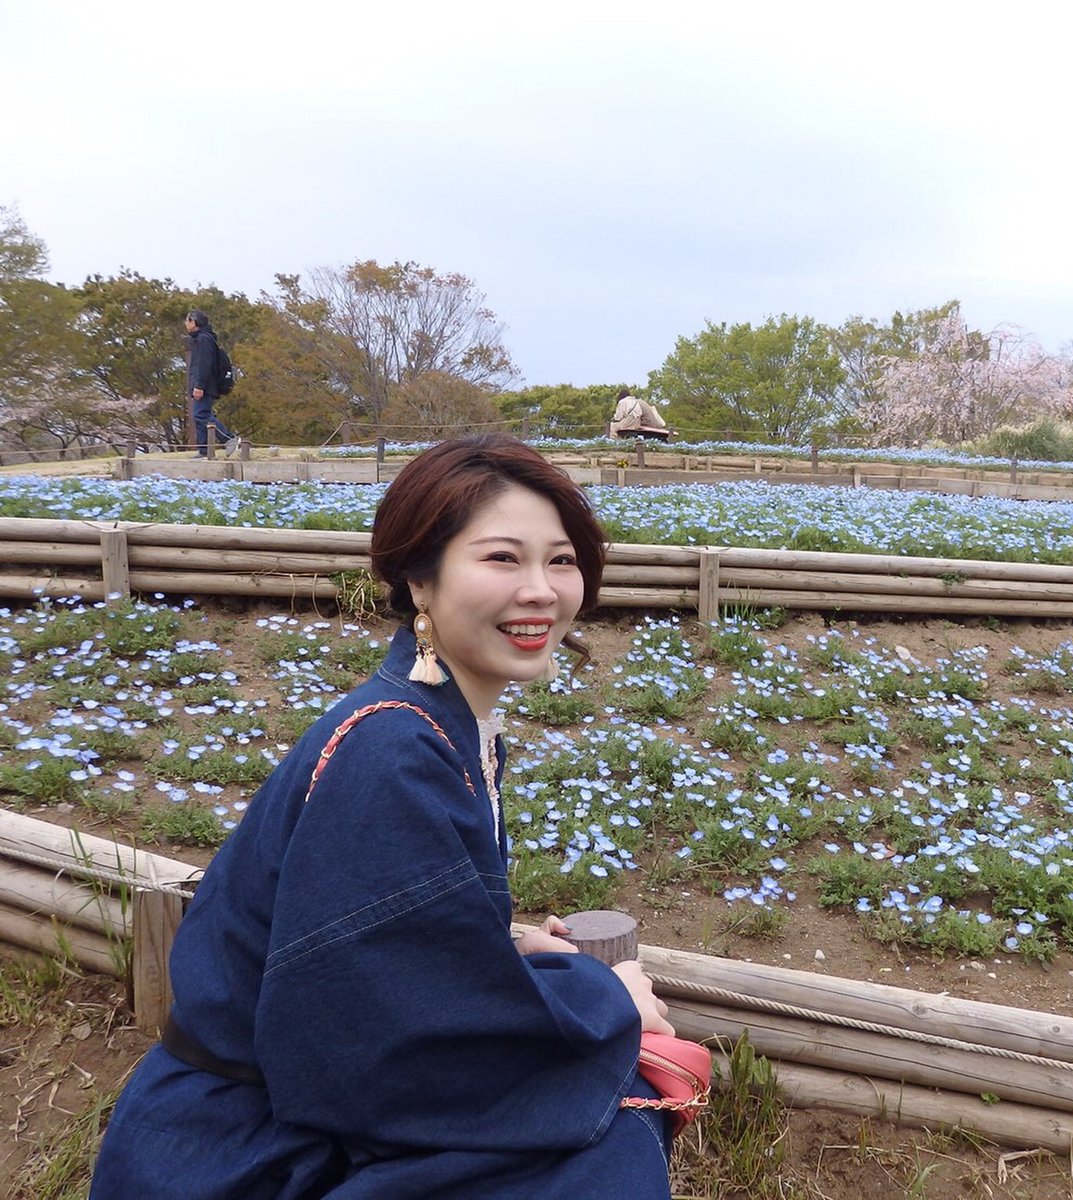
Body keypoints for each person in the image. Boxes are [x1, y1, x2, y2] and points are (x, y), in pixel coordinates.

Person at [92, 435, 677, 1199]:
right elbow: (386, 1039)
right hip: (240, 1151)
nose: (541, 591)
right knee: (614, 1145)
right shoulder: (392, 748)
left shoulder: (436, 720)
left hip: (272, 1117)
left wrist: (496, 939)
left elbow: (374, 937)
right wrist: (608, 1000)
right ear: (418, 578)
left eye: (560, 560)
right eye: (502, 558)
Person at [184, 310, 236, 458]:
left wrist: (199, 386)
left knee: (201, 415)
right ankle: (204, 450)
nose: (186, 324)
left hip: (204, 386)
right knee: (199, 415)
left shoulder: (203, 340)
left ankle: (228, 438)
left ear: (194, 322)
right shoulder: (203, 339)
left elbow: (204, 365)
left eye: (187, 321)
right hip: (203, 385)